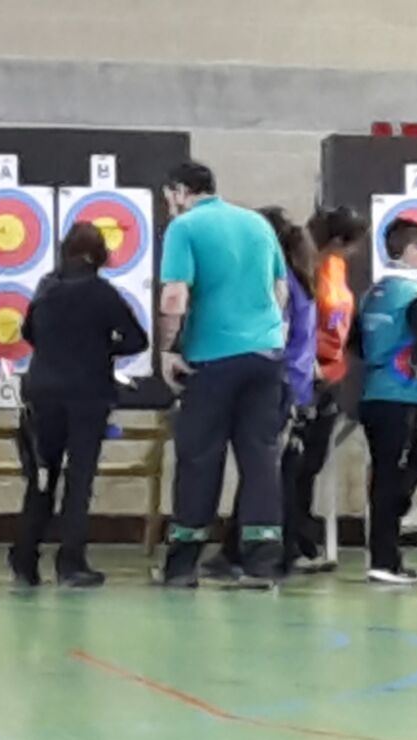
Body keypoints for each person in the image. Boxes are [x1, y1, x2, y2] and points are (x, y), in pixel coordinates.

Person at [156, 162, 289, 588]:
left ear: (180, 191)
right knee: (260, 456)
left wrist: (167, 350)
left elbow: (175, 296)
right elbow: (280, 291)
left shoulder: (184, 227)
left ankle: (183, 566)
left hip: (212, 357)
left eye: (169, 197)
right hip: (266, 356)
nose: (169, 206)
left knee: (200, 457)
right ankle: (261, 563)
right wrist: (262, 332)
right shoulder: (257, 223)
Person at [11, 223, 148, 589]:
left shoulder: (46, 288)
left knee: (42, 476)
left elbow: (27, 333)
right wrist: (103, 349)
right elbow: (137, 340)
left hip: (42, 392)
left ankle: (25, 558)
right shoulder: (102, 293)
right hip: (88, 394)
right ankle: (71, 564)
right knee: (79, 478)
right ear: (98, 255)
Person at [210, 206, 318, 579]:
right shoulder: (297, 275)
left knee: (264, 471)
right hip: (292, 382)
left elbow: (277, 332)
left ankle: (257, 552)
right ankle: (249, 550)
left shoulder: (277, 278)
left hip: (277, 381)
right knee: (270, 469)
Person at [358, 217, 417, 585]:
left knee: (387, 473)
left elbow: (356, 344)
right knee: (395, 478)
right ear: (411, 249)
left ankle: (386, 555)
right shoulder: (416, 299)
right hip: (402, 396)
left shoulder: (374, 294)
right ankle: (385, 559)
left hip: (373, 394)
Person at [287, 205, 369, 569]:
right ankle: (288, 544)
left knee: (311, 464)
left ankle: (302, 540)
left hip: (331, 376)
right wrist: (308, 361)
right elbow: (297, 320)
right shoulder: (302, 267)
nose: (355, 252)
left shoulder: (335, 266)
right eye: (353, 244)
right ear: (337, 240)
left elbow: (341, 319)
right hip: (307, 375)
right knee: (294, 463)